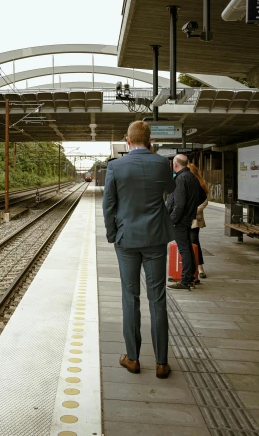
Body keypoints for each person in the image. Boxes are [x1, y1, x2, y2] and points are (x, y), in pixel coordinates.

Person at [103, 121, 176, 379]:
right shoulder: (161, 163)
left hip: (126, 240)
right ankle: (161, 363)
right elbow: (171, 190)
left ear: (127, 140)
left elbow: (108, 205)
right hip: (156, 238)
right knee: (157, 299)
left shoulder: (115, 166)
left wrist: (113, 235)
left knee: (129, 298)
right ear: (149, 141)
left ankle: (132, 359)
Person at [166, 154, 201, 290]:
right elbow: (202, 195)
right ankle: (191, 277)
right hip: (188, 218)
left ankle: (185, 280)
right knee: (187, 246)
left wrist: (173, 220)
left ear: (175, 165)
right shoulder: (193, 177)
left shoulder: (180, 179)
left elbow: (179, 204)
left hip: (180, 220)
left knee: (184, 248)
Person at [188, 163, 209, 280]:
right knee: (189, 242)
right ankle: (192, 267)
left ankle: (200, 268)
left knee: (194, 241)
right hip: (186, 218)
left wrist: (196, 210)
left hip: (195, 218)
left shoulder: (200, 184)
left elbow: (205, 201)